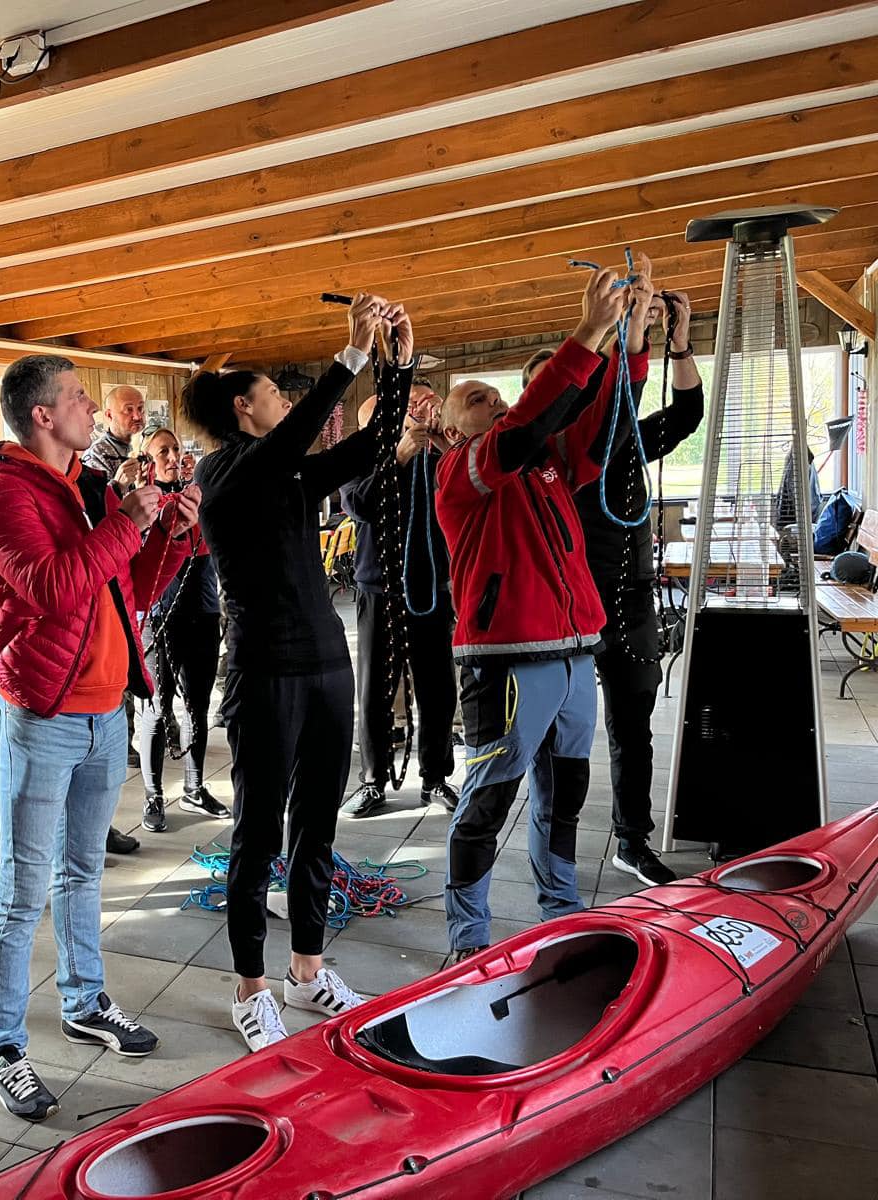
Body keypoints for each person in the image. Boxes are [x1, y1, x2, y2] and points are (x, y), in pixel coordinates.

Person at [0, 354, 196, 1120]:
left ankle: (84, 1001)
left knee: (82, 871)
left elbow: (122, 586)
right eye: (77, 397)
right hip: (43, 713)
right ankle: (4, 1043)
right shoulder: (0, 492)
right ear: (42, 414)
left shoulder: (87, 485)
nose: (93, 409)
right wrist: (127, 522)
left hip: (104, 710)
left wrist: (169, 537)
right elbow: (51, 586)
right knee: (22, 888)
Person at [186, 296, 413, 1053]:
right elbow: (290, 440)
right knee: (257, 833)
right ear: (242, 408)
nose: (285, 403)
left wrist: (397, 365)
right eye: (274, 395)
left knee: (317, 824)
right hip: (265, 671)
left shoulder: (285, 474)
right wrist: (349, 357)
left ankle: (307, 972)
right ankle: (251, 988)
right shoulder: (224, 472)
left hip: (325, 663)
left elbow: (372, 445)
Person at [434, 264, 655, 959]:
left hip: (574, 653)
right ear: (450, 428)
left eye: (499, 395)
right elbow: (526, 423)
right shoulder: (458, 472)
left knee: (565, 794)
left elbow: (607, 420)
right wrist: (588, 330)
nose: (496, 402)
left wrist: (631, 338)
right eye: (477, 399)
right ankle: (469, 937)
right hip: (504, 660)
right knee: (490, 799)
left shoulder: (550, 464)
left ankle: (559, 910)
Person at [538, 290, 706, 888]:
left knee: (633, 729)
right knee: (557, 735)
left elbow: (686, 414)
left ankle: (632, 841)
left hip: (629, 600)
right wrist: (629, 331)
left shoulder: (626, 441)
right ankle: (551, 845)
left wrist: (678, 343)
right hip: (565, 605)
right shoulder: (541, 454)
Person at [340, 382, 460, 818]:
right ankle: (373, 780)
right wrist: (398, 458)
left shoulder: (442, 452)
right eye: (410, 403)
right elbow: (359, 505)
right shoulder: (362, 456)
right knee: (375, 690)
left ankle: (436, 776)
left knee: (437, 688)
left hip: (432, 587)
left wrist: (445, 445)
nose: (421, 408)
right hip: (380, 588)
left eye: (427, 400)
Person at [135, 422, 230, 832]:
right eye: (163, 452)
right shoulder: (140, 503)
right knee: (157, 708)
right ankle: (153, 794)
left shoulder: (197, 495)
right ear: (147, 460)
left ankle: (194, 786)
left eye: (175, 450)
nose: (173, 458)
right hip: (159, 615)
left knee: (197, 704)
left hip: (202, 610)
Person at [84, 383, 152, 824]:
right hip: (103, 588)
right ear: (107, 416)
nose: (137, 415)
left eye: (140, 408)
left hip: (132, 577)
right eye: (128, 409)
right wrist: (119, 487)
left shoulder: (140, 451)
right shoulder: (96, 462)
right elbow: (96, 531)